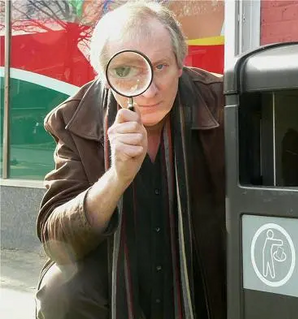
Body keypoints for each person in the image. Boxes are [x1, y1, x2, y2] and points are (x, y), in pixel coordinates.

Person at [35, 2, 226, 319]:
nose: (149, 89)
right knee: (63, 291)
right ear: (104, 76)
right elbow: (57, 242)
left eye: (161, 66)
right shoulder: (75, 119)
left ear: (181, 64)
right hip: (117, 268)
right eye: (125, 70)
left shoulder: (222, 102)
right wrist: (116, 178)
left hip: (203, 262)